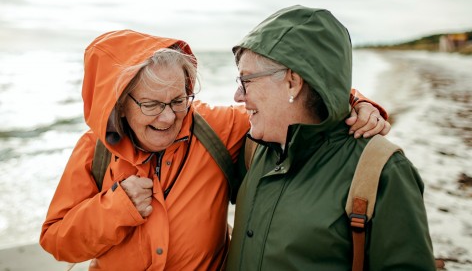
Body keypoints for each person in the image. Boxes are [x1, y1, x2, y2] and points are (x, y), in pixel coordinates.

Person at [40, 29, 389, 270]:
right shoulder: (94, 151)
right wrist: (116, 208)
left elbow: (289, 107)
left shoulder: (214, 128)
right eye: (151, 104)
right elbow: (57, 241)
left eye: (178, 100)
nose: (168, 117)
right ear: (119, 104)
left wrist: (356, 102)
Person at [225, 5, 436, 270]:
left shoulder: (383, 171)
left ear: (292, 81)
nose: (238, 96)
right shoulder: (252, 149)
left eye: (247, 81)